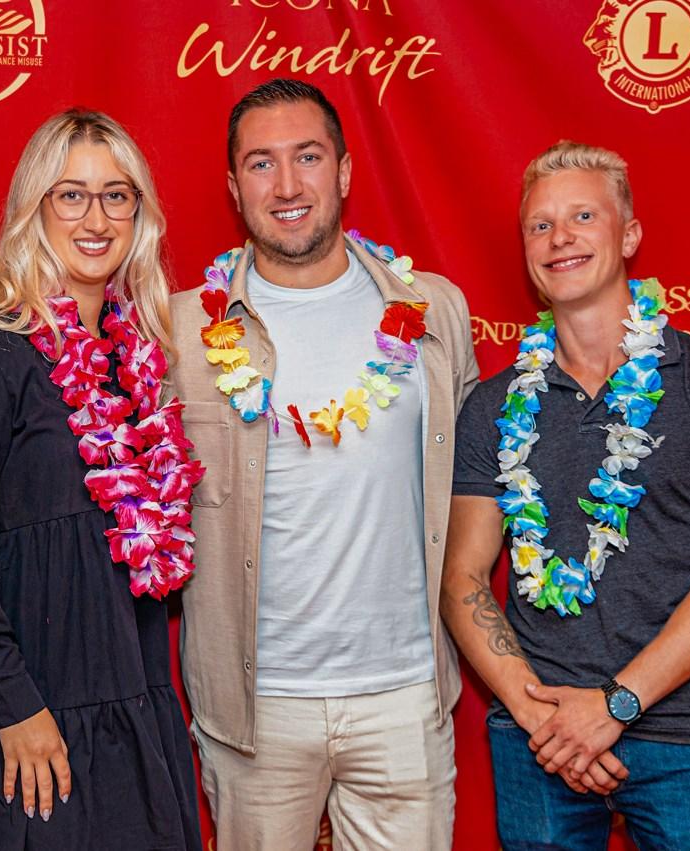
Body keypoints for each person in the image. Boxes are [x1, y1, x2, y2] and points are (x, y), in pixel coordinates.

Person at [167, 78, 478, 850]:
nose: (286, 185)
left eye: (306, 157)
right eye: (261, 163)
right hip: (255, 708)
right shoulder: (179, 329)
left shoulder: (433, 310)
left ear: (341, 171)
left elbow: (473, 494)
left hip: (402, 695)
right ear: (233, 186)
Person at [444, 140, 690, 850]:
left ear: (628, 236)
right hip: (537, 737)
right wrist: (542, 718)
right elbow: (462, 577)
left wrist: (614, 705)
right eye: (539, 225)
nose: (559, 237)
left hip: (678, 732)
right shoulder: (492, 406)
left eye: (582, 217)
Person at [0, 109, 203, 851]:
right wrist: (15, 707)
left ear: (139, 211)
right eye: (70, 195)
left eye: (116, 195)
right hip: (20, 722)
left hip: (125, 705)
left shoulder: (136, 358)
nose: (96, 219)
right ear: (33, 209)